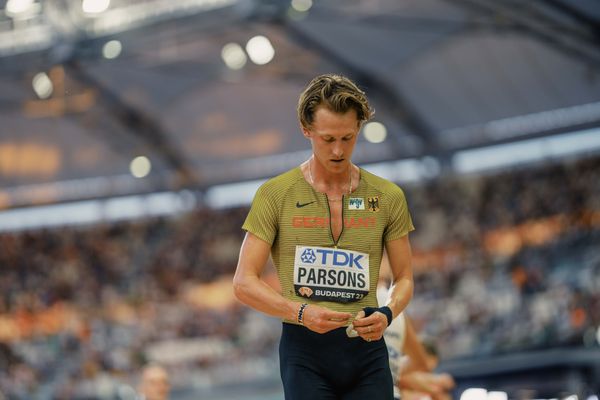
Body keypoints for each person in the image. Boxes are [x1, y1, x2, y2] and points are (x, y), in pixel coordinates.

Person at [233, 73, 415, 399]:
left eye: (347, 138)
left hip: (367, 351)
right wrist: (301, 313)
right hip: (305, 353)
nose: (338, 150)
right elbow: (244, 283)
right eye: (327, 139)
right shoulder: (275, 194)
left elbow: (405, 278)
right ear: (306, 129)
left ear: (359, 128)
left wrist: (387, 313)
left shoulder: (388, 196)